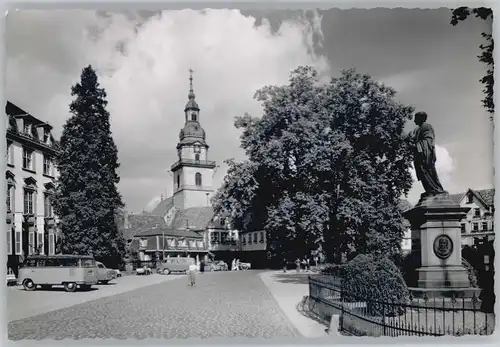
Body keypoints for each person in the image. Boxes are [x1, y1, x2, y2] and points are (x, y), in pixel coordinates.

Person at [408, 111, 446, 196]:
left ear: (421, 119)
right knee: (423, 174)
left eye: (416, 118)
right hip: (420, 155)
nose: (414, 121)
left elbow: (428, 141)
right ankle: (430, 190)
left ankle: (436, 189)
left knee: (429, 172)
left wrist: (417, 145)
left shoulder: (427, 127)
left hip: (426, 155)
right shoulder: (418, 129)